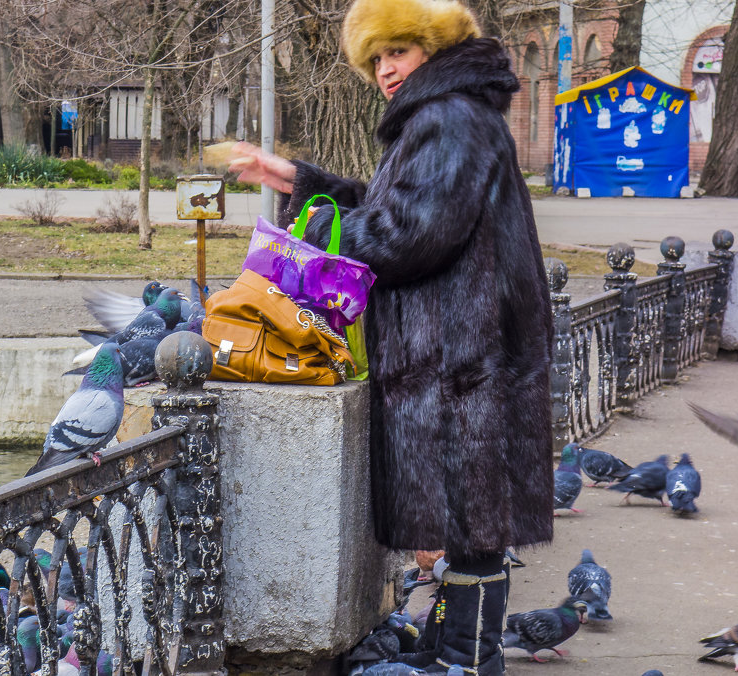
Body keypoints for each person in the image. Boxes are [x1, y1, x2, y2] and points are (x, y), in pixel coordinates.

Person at [229, 0, 553, 673]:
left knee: (473, 531)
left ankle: (467, 660)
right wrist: (298, 182)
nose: (386, 70)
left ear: (432, 49)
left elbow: (409, 236)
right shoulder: (452, 115)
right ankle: (452, 652)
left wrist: (315, 232)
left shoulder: (448, 118)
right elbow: (402, 210)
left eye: (397, 52)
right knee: (473, 529)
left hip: (462, 360)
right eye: (376, 59)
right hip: (468, 353)